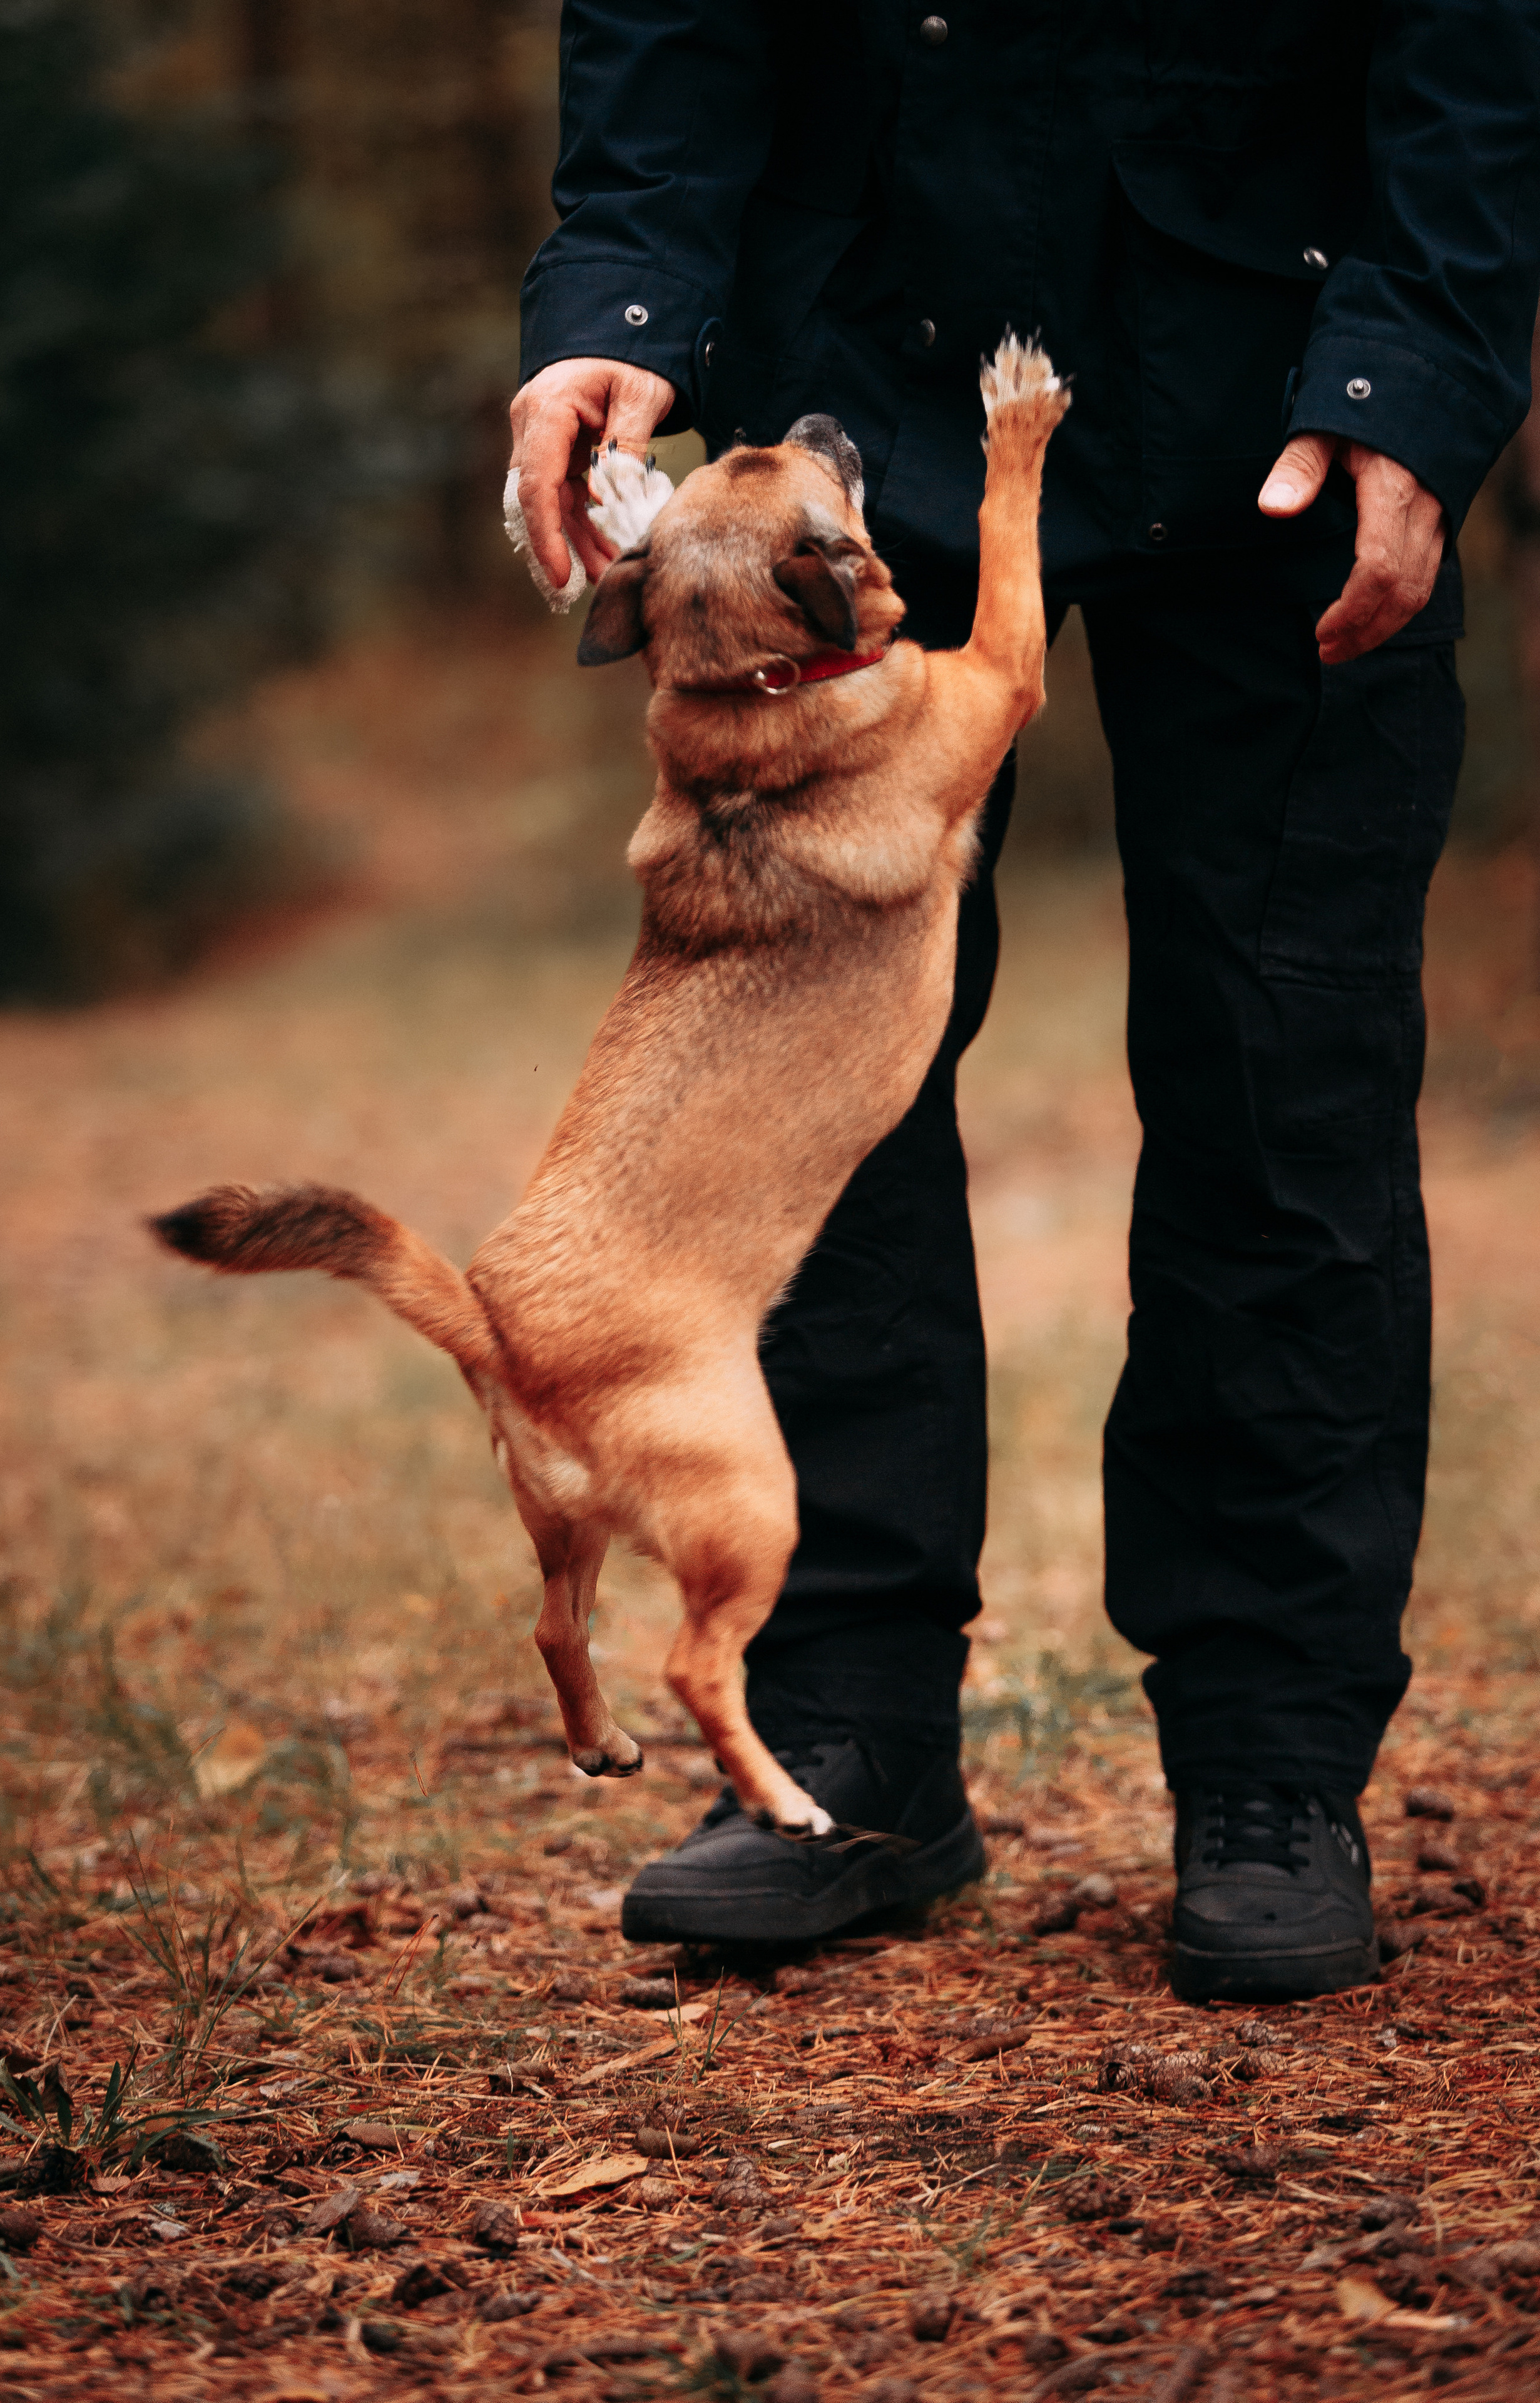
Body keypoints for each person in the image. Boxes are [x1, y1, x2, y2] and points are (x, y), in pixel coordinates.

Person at [506, 2, 1540, 2000]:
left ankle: (1270, 1759)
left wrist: (1421, 370)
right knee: (803, 1075)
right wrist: (625, 285)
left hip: (1285, 366)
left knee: (1285, 1068)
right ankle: (846, 1736)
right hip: (852, 363)